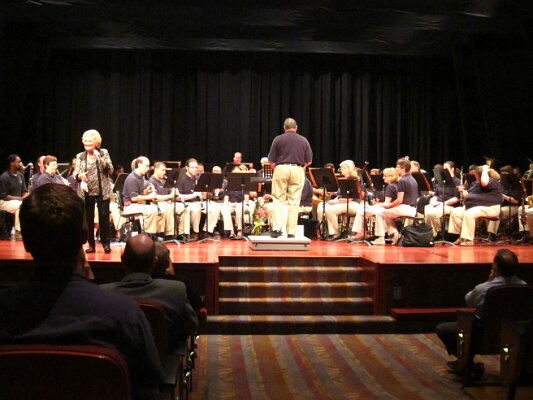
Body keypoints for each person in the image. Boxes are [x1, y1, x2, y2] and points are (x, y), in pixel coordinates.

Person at [0, 184, 164, 399]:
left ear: (27, 243)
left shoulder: (4, 311)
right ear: (85, 235)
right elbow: (150, 389)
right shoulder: (125, 314)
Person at [101, 234, 199, 351]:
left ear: (122, 258)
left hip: (120, 360)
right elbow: (192, 326)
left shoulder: (102, 294)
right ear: (154, 262)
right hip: (165, 359)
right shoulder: (176, 290)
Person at [435, 249, 526, 373]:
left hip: (483, 336)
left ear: (496, 268)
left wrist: (489, 281)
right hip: (514, 335)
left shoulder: (484, 288)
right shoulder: (523, 287)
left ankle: (466, 362)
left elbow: (469, 300)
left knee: (443, 329)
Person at [267, 117, 313, 238]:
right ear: (296, 127)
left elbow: (271, 160)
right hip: (298, 169)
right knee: (294, 201)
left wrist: (278, 169)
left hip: (281, 167)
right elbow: (308, 161)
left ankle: (277, 229)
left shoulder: (278, 139)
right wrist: (300, 168)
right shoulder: (303, 140)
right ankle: (291, 232)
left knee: (278, 199)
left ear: (284, 127)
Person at [74, 129, 114, 253]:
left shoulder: (103, 153)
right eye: (85, 141)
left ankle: (106, 243)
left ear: (96, 142)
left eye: (90, 141)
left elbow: (111, 170)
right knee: (89, 219)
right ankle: (91, 244)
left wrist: (102, 161)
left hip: (102, 190)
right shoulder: (80, 156)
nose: (87, 143)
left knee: (104, 217)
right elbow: (76, 173)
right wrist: (80, 175)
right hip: (87, 191)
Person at [448, 165, 502, 246]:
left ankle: (469, 239)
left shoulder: (493, 182)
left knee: (469, 213)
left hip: (490, 208)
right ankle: (461, 236)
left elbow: (484, 183)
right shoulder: (475, 183)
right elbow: (468, 196)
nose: (475, 177)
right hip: (474, 207)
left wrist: (485, 169)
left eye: (476, 175)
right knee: (456, 212)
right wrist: (462, 191)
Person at [122, 156, 174, 241]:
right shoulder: (132, 178)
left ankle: (156, 233)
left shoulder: (141, 177)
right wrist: (150, 196)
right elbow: (134, 198)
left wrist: (145, 192)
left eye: (148, 166)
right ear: (139, 165)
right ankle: (149, 235)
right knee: (152, 210)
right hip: (130, 206)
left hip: (138, 204)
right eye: (146, 166)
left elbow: (139, 194)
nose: (148, 169)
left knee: (159, 209)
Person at [372, 157, 418, 245]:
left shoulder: (402, 180)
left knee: (380, 212)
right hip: (413, 209)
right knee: (387, 213)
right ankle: (395, 233)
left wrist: (389, 206)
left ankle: (381, 238)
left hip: (405, 208)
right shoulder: (413, 179)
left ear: (403, 168)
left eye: (397, 167)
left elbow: (399, 200)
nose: (396, 169)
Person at [316, 160, 361, 240]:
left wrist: (335, 202)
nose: (341, 170)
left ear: (349, 169)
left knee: (329, 210)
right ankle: (324, 231)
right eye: (341, 168)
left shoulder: (353, 179)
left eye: (343, 168)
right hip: (342, 202)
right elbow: (342, 193)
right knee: (321, 206)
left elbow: (350, 198)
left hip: (353, 204)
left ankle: (335, 233)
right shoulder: (344, 179)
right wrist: (334, 194)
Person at [350, 167, 399, 240]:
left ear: (391, 176)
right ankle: (362, 233)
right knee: (364, 209)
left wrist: (377, 205)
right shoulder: (395, 185)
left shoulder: (390, 187)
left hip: (387, 209)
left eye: (385, 176)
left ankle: (360, 233)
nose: (383, 178)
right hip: (392, 208)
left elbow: (387, 204)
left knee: (361, 210)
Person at [149, 161, 190, 240]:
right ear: (156, 170)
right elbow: (155, 197)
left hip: (167, 202)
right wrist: (170, 196)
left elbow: (172, 195)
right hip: (157, 204)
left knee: (184, 208)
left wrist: (175, 193)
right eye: (162, 170)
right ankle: (169, 234)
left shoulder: (164, 181)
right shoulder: (151, 181)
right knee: (169, 208)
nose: (164, 172)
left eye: (165, 170)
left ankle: (182, 233)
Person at [424, 161, 461, 239]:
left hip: (449, 206)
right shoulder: (442, 181)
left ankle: (435, 234)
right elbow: (436, 195)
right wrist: (432, 201)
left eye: (446, 168)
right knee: (425, 209)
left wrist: (443, 204)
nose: (444, 170)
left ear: (452, 169)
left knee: (433, 213)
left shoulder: (457, 181)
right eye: (443, 169)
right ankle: (428, 233)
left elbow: (456, 198)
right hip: (438, 203)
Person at [487, 165, 522, 240]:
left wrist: (503, 196)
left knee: (497, 212)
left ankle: (492, 234)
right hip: (503, 205)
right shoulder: (501, 185)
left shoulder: (516, 185)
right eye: (501, 174)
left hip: (514, 207)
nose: (503, 177)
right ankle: (489, 233)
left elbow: (516, 201)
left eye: (505, 174)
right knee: (490, 209)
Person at [0, 154, 28, 240]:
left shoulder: (20, 175)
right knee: (19, 205)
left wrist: (26, 197)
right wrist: (21, 199)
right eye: (18, 162)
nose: (21, 163)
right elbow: (4, 196)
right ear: (11, 163)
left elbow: (24, 191)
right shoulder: (4, 177)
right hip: (3, 202)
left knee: (28, 204)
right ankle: (18, 232)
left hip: (16, 201)